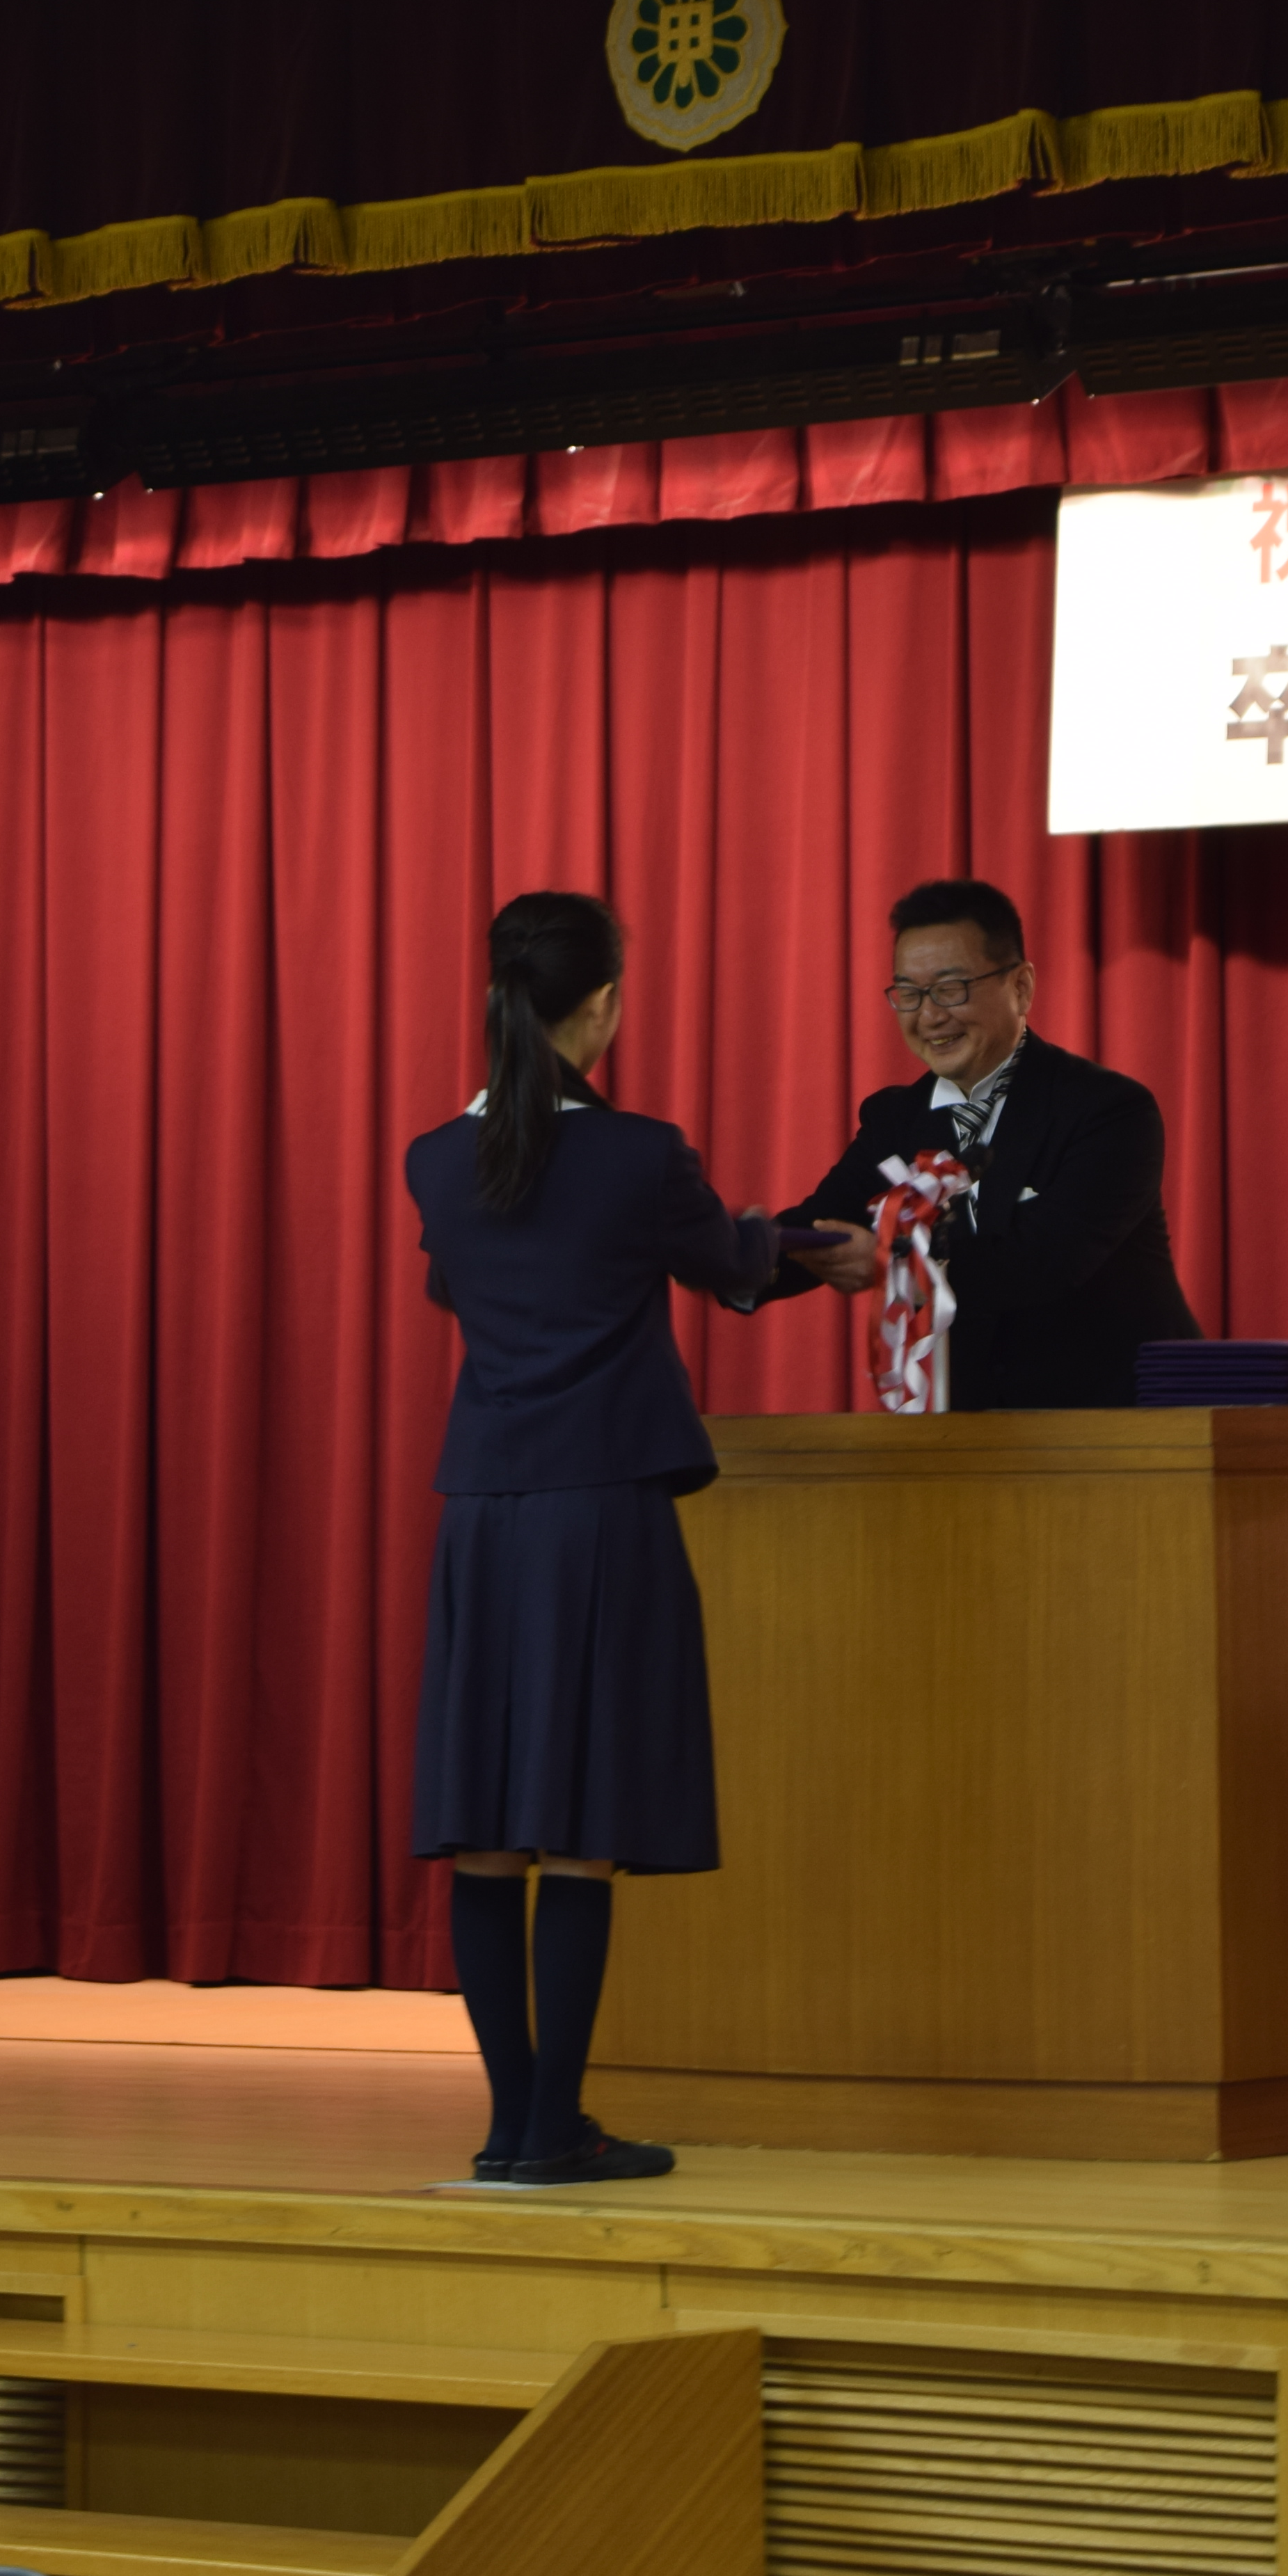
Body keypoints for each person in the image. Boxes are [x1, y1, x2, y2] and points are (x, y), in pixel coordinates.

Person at [401, 890, 777, 2186]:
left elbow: (457, 1279)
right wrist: (816, 1252)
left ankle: (513, 2127)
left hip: (483, 1517)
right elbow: (726, 1257)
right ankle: (557, 2124)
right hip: (598, 1507)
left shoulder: (435, 1159)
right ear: (605, 1002)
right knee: (577, 1823)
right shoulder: (638, 1154)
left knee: (489, 1827)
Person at [765, 877, 1201, 1408]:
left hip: (1119, 1422)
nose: (930, 1016)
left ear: (1021, 987)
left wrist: (892, 1266)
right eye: (909, 993)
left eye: (951, 989)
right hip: (972, 1427)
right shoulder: (896, 1120)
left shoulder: (1107, 1109)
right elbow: (819, 1226)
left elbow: (1046, 1261)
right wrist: (722, 1250)